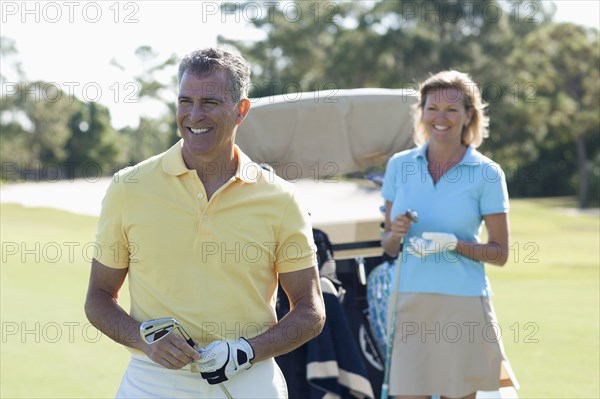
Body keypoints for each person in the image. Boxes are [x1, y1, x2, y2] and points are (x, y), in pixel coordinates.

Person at [85, 47, 325, 398]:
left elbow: (311, 310)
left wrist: (246, 350)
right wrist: (144, 340)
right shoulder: (128, 187)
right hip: (153, 381)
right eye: (185, 101)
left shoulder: (280, 198)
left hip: (250, 381)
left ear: (241, 110)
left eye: (210, 102)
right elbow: (98, 298)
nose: (194, 115)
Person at [381, 70, 518, 399]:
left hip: (463, 303)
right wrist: (395, 233)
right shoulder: (400, 166)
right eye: (433, 108)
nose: (441, 118)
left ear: (469, 115)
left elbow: (499, 254)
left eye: (452, 109)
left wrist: (455, 245)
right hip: (410, 301)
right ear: (422, 112)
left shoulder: (486, 173)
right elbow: (387, 246)